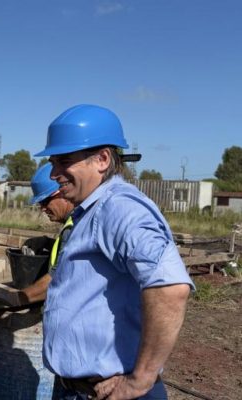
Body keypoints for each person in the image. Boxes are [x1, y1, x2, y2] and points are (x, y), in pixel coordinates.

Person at [35, 104, 193, 399]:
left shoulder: (118, 208)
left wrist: (140, 380)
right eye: (53, 162)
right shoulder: (89, 212)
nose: (54, 173)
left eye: (64, 161)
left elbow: (170, 288)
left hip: (109, 392)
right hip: (79, 389)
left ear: (102, 159)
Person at [0, 162, 74, 307]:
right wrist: (47, 242)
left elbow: (58, 278)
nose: (43, 209)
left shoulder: (76, 226)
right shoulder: (74, 222)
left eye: (45, 202)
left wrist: (17, 298)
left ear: (63, 192)